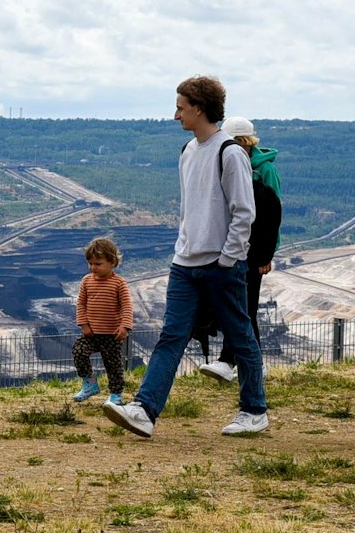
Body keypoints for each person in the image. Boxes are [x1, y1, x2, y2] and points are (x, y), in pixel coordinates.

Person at [103, 76, 269, 438]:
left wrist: (228, 259)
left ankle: (254, 410)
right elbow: (189, 209)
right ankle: (144, 411)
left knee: (240, 335)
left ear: (199, 108)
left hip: (220, 266)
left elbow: (244, 212)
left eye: (180, 107)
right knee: (172, 335)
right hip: (185, 263)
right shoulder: (187, 151)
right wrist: (184, 248)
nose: (175, 113)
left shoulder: (230, 152)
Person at [196, 116, 282, 383]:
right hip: (233, 247)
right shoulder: (232, 164)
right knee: (239, 307)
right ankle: (247, 364)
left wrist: (267, 254)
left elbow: (272, 216)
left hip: (254, 250)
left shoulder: (264, 171)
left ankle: (231, 362)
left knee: (245, 307)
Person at [71, 236, 132, 406]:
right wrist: (84, 325)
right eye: (90, 263)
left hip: (112, 334)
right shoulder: (86, 281)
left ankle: (116, 394)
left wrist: (125, 326)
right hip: (91, 333)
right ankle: (89, 384)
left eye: (98, 264)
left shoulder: (119, 283)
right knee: (79, 351)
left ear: (112, 262)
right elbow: (81, 303)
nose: (93, 268)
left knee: (113, 365)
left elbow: (127, 306)